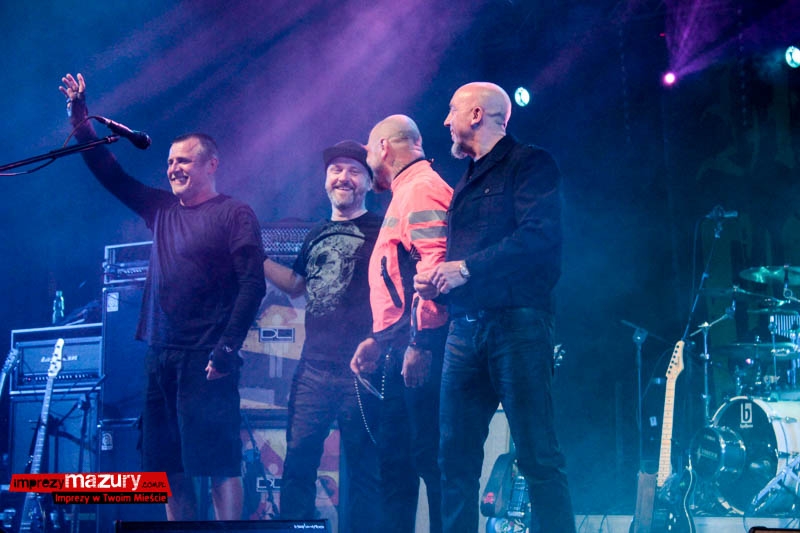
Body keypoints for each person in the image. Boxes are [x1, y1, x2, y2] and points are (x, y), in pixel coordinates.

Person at [59, 73, 266, 521]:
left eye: (184, 161)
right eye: (170, 162)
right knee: (166, 470)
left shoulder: (234, 213)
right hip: (160, 356)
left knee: (217, 464)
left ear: (211, 165)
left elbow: (253, 284)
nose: (173, 168)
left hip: (205, 358)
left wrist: (226, 348)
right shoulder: (161, 209)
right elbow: (111, 174)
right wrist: (80, 118)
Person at [414, 82, 576, 533]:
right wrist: (437, 283)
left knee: (537, 455)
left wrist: (464, 269)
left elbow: (540, 237)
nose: (445, 120)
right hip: (464, 330)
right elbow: (465, 259)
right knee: (454, 460)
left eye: (452, 110)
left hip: (517, 326)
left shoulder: (530, 163)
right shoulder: (466, 180)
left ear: (476, 114)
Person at [262, 140, 383, 532]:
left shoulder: (382, 229)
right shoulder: (316, 233)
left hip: (362, 370)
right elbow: (297, 285)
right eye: (336, 170)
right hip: (313, 368)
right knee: (298, 462)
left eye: (353, 171)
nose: (343, 177)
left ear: (368, 182)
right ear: (325, 180)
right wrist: (255, 258)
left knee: (364, 468)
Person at [351, 115, 452, 533]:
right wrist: (379, 340)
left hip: (425, 347)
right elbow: (403, 277)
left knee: (431, 462)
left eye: (368, 152)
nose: (368, 163)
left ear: (383, 148)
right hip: (403, 346)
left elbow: (435, 268)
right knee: (397, 465)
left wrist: (422, 342)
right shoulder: (406, 191)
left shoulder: (421, 187)